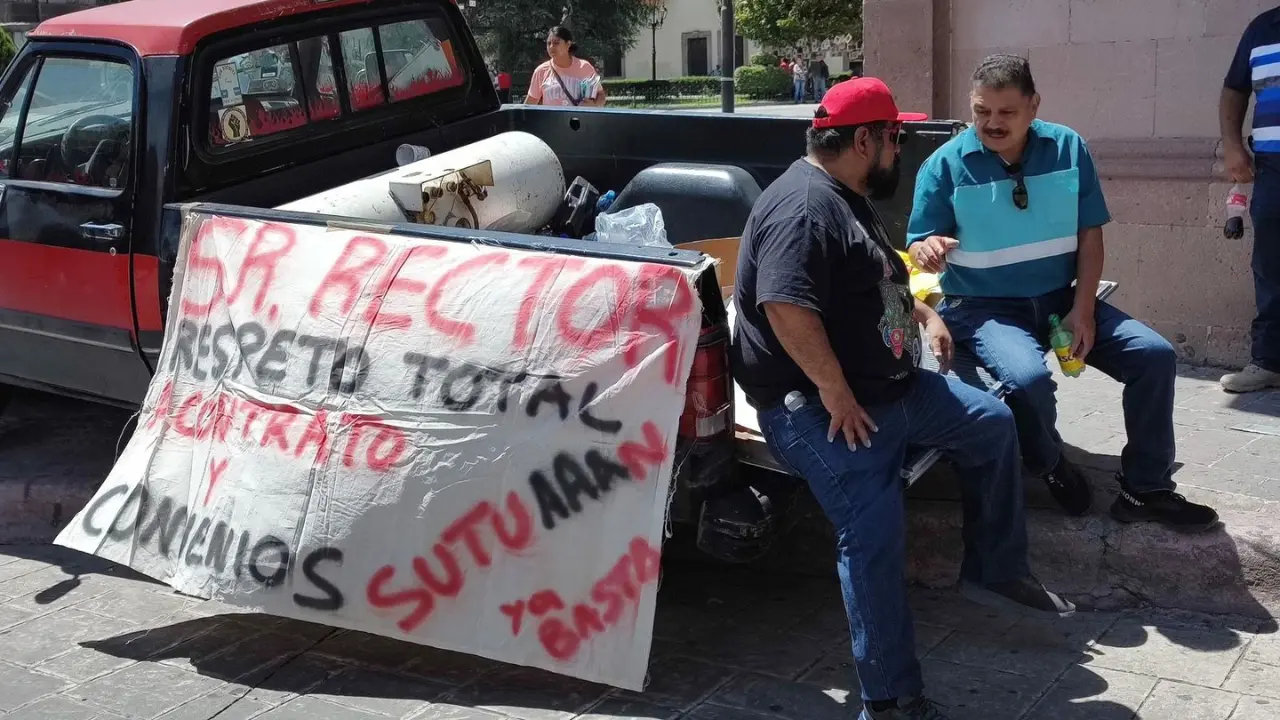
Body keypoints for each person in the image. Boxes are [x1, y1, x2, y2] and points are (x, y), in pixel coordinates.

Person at [730, 76, 1073, 720]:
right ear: (865, 139)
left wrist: (921, 312)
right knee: (873, 535)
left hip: (891, 388)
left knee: (992, 422)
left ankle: (993, 569)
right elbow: (783, 305)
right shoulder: (804, 208)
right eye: (895, 139)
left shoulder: (844, 192)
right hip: (822, 408)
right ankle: (891, 702)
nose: (899, 151)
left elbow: (868, 272)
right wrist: (833, 392)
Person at [906, 55, 1219, 531]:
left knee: (1154, 356)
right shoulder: (944, 165)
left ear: (1033, 106)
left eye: (1006, 112)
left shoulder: (1069, 147)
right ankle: (1049, 463)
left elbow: (1090, 234)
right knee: (1027, 381)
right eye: (981, 111)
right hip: (984, 307)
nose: (992, 123)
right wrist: (927, 248)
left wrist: (1084, 309)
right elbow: (918, 241)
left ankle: (1146, 488)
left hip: (1059, 296)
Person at [1221, 7, 1280, 393]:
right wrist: (1232, 146)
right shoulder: (1262, 28)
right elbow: (1234, 90)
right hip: (1272, 165)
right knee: (1271, 263)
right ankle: (1270, 361)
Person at [525, 26, 606, 108]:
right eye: (549, 43)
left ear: (568, 44)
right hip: (552, 120)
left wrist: (595, 105)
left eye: (556, 43)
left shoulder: (585, 67)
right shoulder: (541, 71)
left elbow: (601, 95)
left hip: (580, 120)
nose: (551, 47)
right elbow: (530, 104)